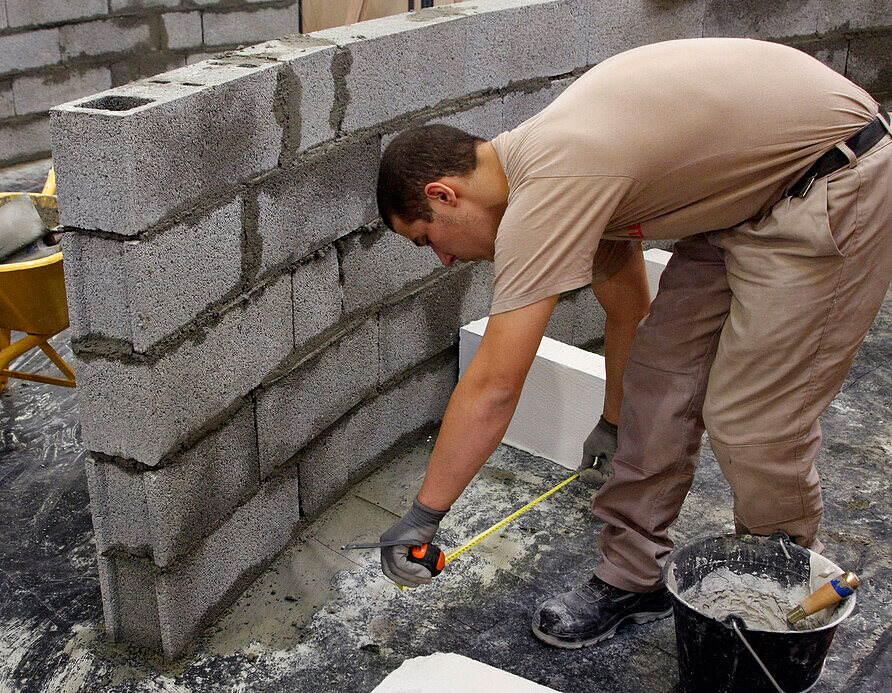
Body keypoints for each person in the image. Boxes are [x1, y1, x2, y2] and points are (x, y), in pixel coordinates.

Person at [374, 37, 892, 649]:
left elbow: (493, 385)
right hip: (742, 196)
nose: (441, 259)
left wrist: (424, 517)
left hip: (833, 180)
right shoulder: (553, 169)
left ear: (443, 194)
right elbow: (628, 313)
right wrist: (617, 421)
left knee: (753, 418)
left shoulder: (552, 185)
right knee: (660, 377)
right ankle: (633, 576)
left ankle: (776, 587)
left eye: (426, 238)